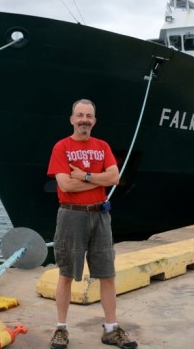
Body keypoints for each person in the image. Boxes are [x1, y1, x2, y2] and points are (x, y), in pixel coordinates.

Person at [46, 99, 138, 349]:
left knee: (107, 274)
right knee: (65, 274)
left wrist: (85, 176)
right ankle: (61, 329)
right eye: (80, 115)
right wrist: (100, 180)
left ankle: (111, 329)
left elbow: (116, 178)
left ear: (94, 121)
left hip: (100, 216)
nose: (84, 119)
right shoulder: (61, 147)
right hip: (71, 214)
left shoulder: (103, 146)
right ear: (72, 119)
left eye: (89, 115)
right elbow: (65, 184)